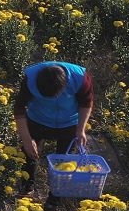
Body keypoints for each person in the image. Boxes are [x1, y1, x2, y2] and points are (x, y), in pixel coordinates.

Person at [13, 61, 94, 203]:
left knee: (64, 160)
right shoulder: (30, 78)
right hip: (38, 119)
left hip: (68, 123)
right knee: (29, 154)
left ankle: (55, 197)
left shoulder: (79, 77)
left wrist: (81, 130)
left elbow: (86, 103)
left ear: (64, 85)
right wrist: (27, 140)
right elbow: (19, 109)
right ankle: (27, 187)